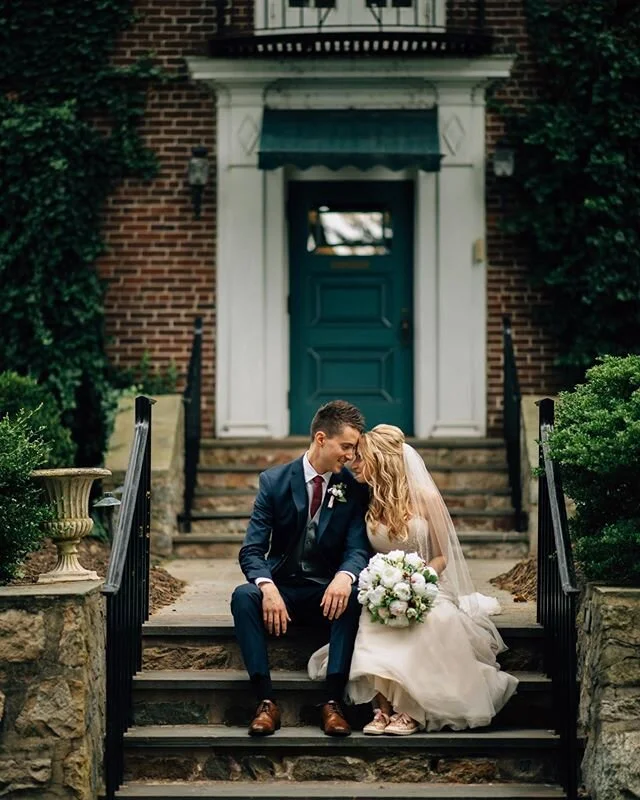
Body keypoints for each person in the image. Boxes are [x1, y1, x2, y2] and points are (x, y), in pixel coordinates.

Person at [308, 424, 519, 735]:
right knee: (371, 616)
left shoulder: (425, 496)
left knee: (431, 619)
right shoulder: (366, 499)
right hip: (382, 587)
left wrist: (415, 584)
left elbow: (442, 557)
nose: (354, 462)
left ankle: (410, 710)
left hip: (426, 585)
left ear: (381, 459)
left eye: (361, 457)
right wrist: (384, 587)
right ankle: (381, 708)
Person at [231, 400, 371, 737]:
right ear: (321, 439)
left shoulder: (353, 489)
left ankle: (332, 703)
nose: (350, 456)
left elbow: (357, 547)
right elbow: (251, 549)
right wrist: (267, 587)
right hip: (283, 589)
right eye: (346, 446)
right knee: (243, 596)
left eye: (353, 448)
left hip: (326, 591)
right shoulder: (274, 481)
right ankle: (266, 701)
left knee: (353, 594)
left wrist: (344, 575)